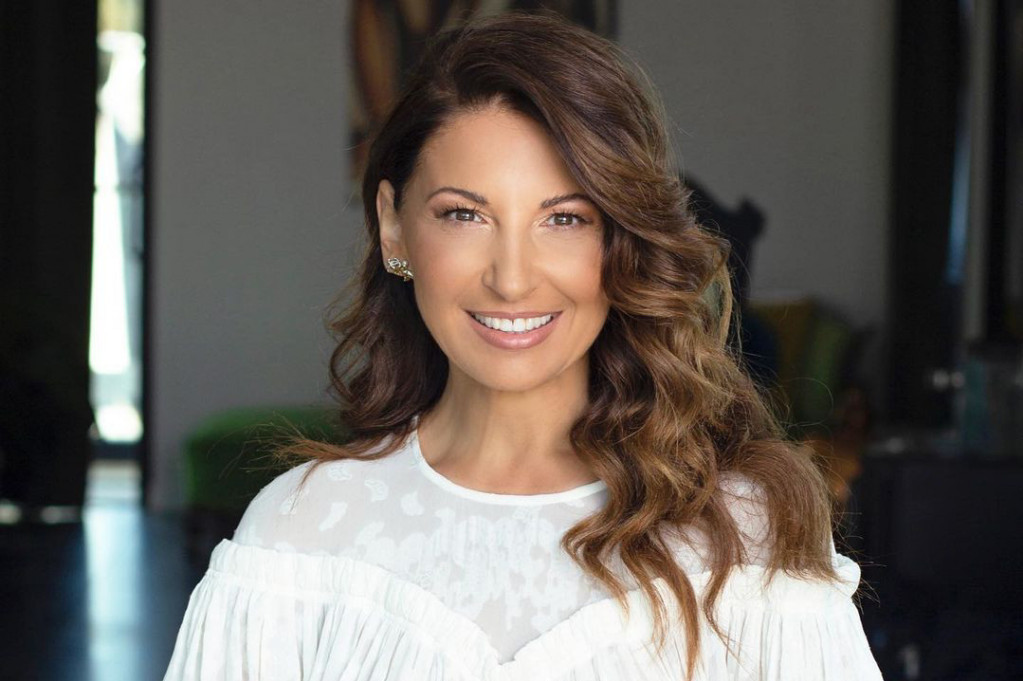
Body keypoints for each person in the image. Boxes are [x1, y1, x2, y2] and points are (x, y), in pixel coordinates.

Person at [162, 10, 884, 680]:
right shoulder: (299, 537)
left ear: (622, 239)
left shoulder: (744, 535)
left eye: (564, 219)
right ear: (393, 226)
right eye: (464, 214)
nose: (511, 279)